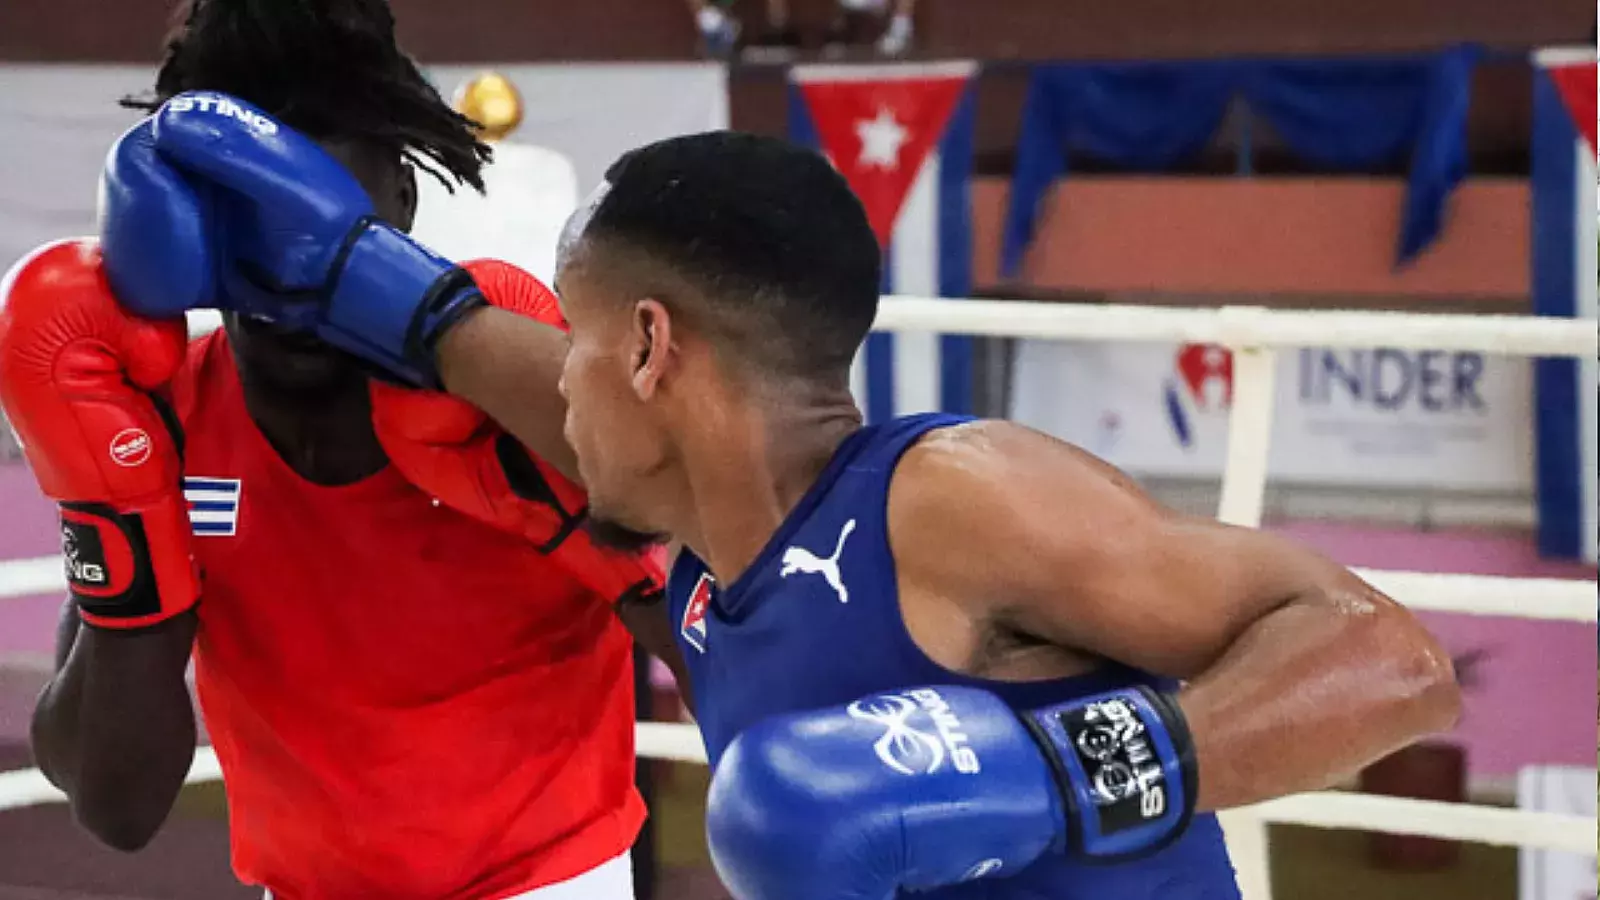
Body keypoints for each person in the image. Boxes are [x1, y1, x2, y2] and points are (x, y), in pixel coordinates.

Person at [84, 98, 1460, 899]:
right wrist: (311, 254)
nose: (547, 381)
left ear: (647, 348)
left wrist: (1049, 778)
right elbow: (441, 331)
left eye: (573, 340)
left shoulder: (946, 501)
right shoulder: (693, 541)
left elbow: (1386, 660)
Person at [0, 2, 681, 898]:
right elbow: (115, 805)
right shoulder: (169, 422)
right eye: (247, 233)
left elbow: (740, 667)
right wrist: (118, 518)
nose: (285, 277)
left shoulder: (521, 390)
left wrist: (590, 510)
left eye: (313, 230)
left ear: (398, 197)